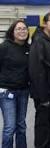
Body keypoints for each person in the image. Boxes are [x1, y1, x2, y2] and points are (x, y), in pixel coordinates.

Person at [29, 12, 50, 148]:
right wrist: (43, 98)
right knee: (43, 125)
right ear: (45, 23)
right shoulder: (39, 41)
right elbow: (36, 72)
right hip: (44, 94)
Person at [0, 20, 29, 148]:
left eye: (24, 29)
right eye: (18, 29)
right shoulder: (4, 47)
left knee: (21, 125)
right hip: (7, 92)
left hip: (23, 91)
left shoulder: (29, 48)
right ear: (12, 32)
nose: (22, 31)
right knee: (10, 127)